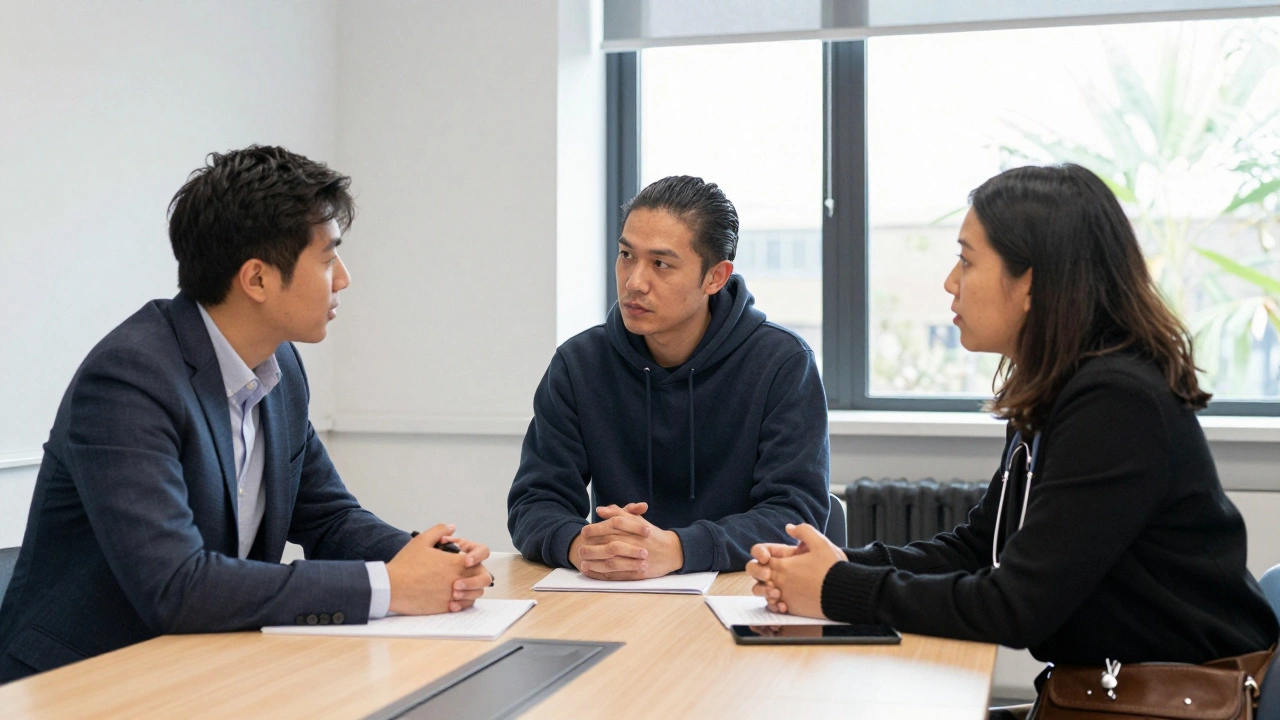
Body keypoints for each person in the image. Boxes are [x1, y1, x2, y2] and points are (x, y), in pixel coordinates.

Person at [746, 164, 1278, 699]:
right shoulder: (1056, 386)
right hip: (1106, 693)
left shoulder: (1116, 403)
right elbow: (983, 547)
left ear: (1032, 281)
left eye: (966, 260)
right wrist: (838, 564)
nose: (950, 283)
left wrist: (839, 588)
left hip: (1180, 702)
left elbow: (1014, 608)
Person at [0, 146, 491, 681]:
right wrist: (392, 586)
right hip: (79, 682)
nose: (344, 278)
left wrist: (432, 559)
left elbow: (327, 517)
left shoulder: (279, 364)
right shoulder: (128, 380)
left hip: (201, 668)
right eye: (327, 259)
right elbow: (176, 585)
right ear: (256, 279)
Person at [507, 175, 829, 579]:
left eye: (660, 263)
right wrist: (579, 544)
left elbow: (794, 515)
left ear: (715, 277)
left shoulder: (781, 362)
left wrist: (678, 549)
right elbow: (534, 503)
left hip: (742, 593)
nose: (634, 282)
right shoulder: (579, 363)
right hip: (617, 596)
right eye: (626, 255)